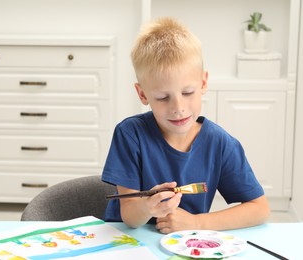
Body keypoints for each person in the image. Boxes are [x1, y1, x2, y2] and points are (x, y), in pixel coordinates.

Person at [101, 17, 270, 234]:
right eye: (163, 97)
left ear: (203, 83)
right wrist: (147, 206)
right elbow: (130, 217)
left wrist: (197, 223)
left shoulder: (220, 143)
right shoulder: (130, 134)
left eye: (188, 92)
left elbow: (260, 209)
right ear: (142, 94)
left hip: (183, 244)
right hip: (126, 242)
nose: (178, 107)